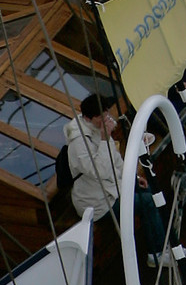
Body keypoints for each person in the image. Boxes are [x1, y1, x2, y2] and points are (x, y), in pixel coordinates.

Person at [63, 95, 165, 264]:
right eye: (100, 117)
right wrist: (104, 139)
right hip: (98, 203)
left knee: (150, 192)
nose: (105, 120)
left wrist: (134, 178)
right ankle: (157, 254)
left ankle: (162, 240)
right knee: (148, 202)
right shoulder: (79, 143)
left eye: (106, 114)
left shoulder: (98, 129)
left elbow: (115, 160)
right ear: (88, 118)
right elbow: (100, 170)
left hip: (112, 188)